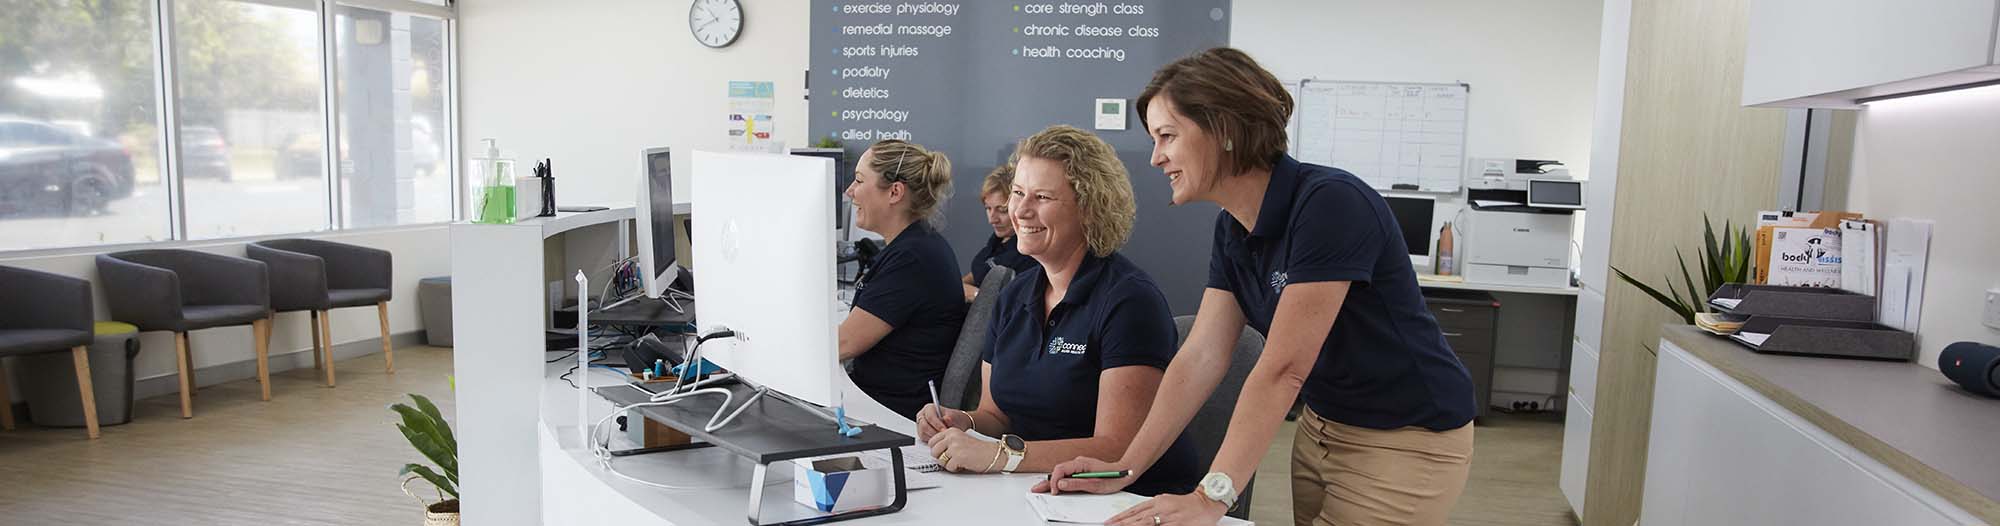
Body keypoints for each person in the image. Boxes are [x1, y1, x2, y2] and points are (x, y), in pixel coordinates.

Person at [1036, 48, 1478, 526]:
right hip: (1323, 427)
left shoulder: (1330, 204)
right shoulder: (1233, 228)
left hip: (1407, 437)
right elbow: (1201, 356)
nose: (1156, 157)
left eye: (1167, 136)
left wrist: (1211, 497)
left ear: (1224, 130)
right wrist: (1125, 467)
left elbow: (1283, 368)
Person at [914, 125, 1201, 497]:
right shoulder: (1013, 295)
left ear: (1090, 208)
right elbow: (999, 416)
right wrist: (962, 422)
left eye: (1042, 197)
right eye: (1018, 193)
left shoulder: (1130, 301)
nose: (1020, 210)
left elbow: (1118, 448)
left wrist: (1001, 456)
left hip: (1125, 499)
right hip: (1038, 490)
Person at [838, 140, 968, 419]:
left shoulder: (913, 258)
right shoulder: (914, 246)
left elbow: (843, 344)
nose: (850, 191)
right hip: (877, 402)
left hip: (888, 414)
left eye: (859, 181)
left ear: (895, 192)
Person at [960, 162, 1037, 301]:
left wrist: (977, 295)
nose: (992, 219)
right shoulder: (996, 242)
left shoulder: (1028, 254)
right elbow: (976, 274)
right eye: (988, 209)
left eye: (1002, 210)